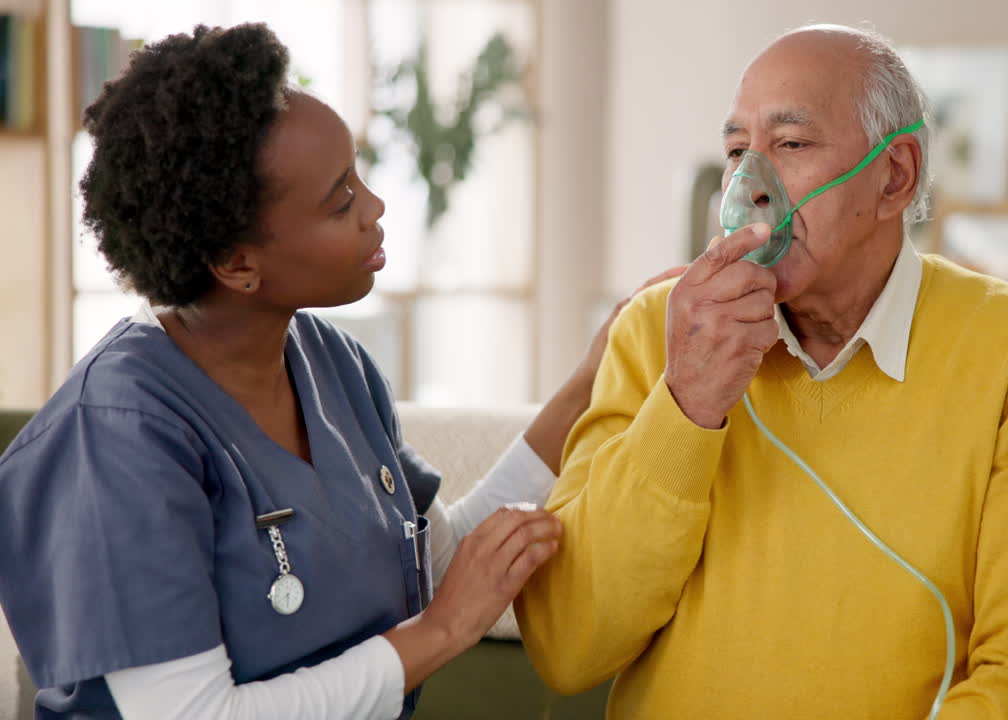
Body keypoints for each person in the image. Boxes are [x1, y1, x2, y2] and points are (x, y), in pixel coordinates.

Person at [0, 22, 677, 720]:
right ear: (237, 264)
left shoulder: (334, 363)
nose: (376, 209)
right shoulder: (117, 437)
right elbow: (196, 715)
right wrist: (443, 631)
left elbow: (439, 566)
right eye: (341, 200)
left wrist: (600, 369)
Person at [515, 24, 1008, 719]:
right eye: (738, 150)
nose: (751, 185)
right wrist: (686, 404)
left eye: (791, 145)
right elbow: (568, 650)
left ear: (896, 176)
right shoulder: (658, 333)